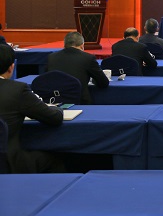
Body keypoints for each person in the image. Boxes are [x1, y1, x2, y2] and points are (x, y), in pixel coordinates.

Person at [0, 44, 64, 173]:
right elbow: (54, 118)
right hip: (8, 161)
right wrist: (58, 109)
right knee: (55, 160)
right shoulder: (17, 90)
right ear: (11, 67)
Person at [46, 31, 110, 104]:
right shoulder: (88, 58)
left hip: (55, 100)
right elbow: (103, 83)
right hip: (80, 102)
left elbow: (47, 78)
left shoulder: (51, 57)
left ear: (64, 45)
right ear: (82, 46)